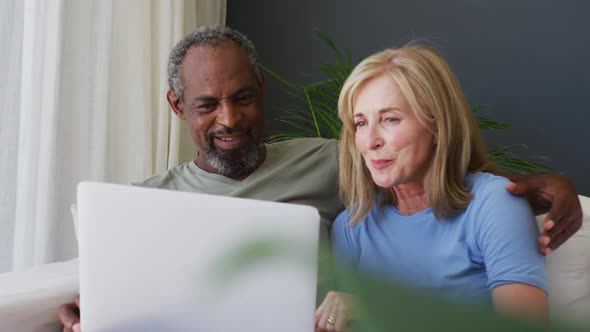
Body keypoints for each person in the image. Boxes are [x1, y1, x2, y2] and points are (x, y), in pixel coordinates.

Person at [58, 26, 582, 332]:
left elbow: (451, 182)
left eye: (391, 119)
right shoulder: (354, 221)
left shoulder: (333, 168)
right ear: (177, 106)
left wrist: (542, 187)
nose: (229, 120)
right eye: (360, 123)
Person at [318, 44, 550, 330]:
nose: (370, 141)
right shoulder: (351, 228)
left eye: (390, 119)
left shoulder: (493, 204)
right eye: (361, 123)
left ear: (438, 125)